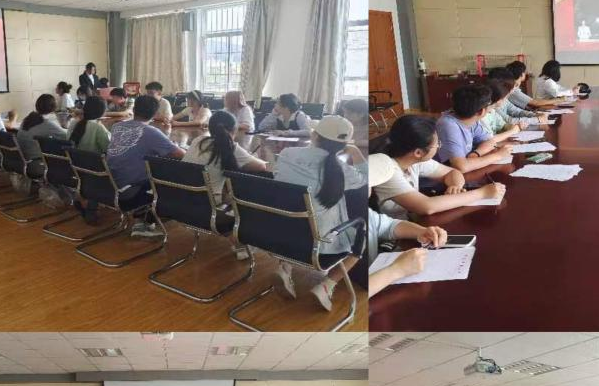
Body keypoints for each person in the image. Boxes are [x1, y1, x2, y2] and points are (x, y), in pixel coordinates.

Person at [273, 115, 367, 310]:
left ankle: (285, 267)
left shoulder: (287, 153)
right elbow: (365, 178)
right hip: (320, 243)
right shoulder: (341, 170)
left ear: (314, 135)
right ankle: (327, 285)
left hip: (280, 233)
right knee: (362, 236)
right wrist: (355, 152)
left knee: (293, 211)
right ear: (343, 145)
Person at [373, 115, 505, 218]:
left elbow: (453, 173)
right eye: (437, 144)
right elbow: (427, 206)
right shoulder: (388, 171)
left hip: (413, 222)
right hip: (394, 235)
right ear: (418, 152)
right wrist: (482, 193)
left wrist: (455, 186)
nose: (438, 147)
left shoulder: (413, 160)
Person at [367, 153, 448, 297]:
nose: (371, 189)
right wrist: (396, 270)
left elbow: (388, 226)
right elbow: (344, 294)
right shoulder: (332, 227)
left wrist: (422, 231)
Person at [106, 94, 185, 237]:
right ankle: (146, 222)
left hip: (109, 186)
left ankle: (141, 220)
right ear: (154, 114)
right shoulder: (151, 132)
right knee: (173, 177)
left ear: (134, 109)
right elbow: (181, 155)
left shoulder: (117, 126)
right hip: (130, 192)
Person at [182, 110, 268, 199]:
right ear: (234, 130)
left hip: (183, 195)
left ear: (210, 128)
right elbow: (261, 166)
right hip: (208, 201)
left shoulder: (198, 140)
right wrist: (253, 157)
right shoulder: (231, 147)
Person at [434, 84, 508, 173]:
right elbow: (461, 166)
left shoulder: (471, 120)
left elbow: (490, 141)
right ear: (481, 111)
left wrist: (476, 154)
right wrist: (498, 155)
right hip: (441, 178)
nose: (491, 108)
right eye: (489, 105)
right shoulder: (448, 125)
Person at [16, 94, 67, 174]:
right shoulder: (46, 123)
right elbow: (66, 136)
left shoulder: (27, 119)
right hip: (36, 164)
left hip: (22, 160)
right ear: (53, 107)